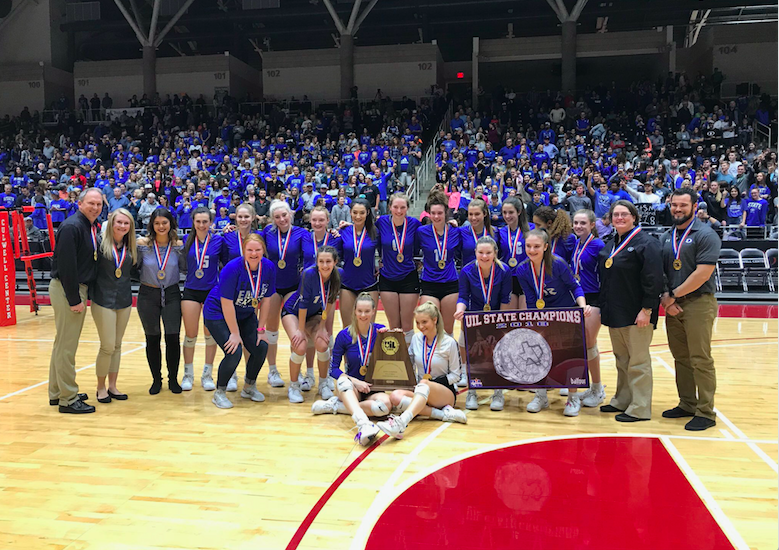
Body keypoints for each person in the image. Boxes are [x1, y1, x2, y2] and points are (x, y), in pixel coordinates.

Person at [659, 189, 721, 431]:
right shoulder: (666, 236)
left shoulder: (706, 234)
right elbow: (661, 272)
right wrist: (666, 299)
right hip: (672, 304)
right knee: (681, 358)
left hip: (698, 302)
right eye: (674, 205)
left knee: (700, 358)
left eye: (683, 205)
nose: (678, 209)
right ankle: (687, 403)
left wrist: (673, 296)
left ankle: (706, 411)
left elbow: (702, 273)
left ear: (695, 206)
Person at [598, 200, 663, 422]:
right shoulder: (611, 242)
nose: (620, 218)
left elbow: (653, 280)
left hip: (638, 314)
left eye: (624, 214)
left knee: (638, 362)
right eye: (616, 215)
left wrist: (647, 309)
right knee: (622, 359)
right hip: (615, 312)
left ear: (634, 217)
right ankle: (623, 399)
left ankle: (640, 408)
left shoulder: (647, 243)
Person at [515, 229, 591, 416]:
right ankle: (541, 395)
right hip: (542, 316)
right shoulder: (522, 269)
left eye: (537, 246)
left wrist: (582, 306)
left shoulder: (558, 264)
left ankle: (573, 398)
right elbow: (531, 299)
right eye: (528, 246)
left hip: (565, 313)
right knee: (538, 354)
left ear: (546, 247)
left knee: (569, 354)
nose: (532, 250)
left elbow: (574, 286)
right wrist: (533, 322)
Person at [377, 302, 467, 439]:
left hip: (445, 392)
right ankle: (443, 414)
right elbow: (406, 364)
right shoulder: (416, 339)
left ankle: (401, 423)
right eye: (417, 323)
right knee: (395, 396)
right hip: (421, 390)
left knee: (424, 384)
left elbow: (456, 375)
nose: (420, 327)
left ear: (435, 320)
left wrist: (431, 382)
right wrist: (395, 338)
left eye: (424, 322)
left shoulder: (449, 343)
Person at [203, 233, 274, 409]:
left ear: (263, 250)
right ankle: (219, 392)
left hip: (245, 313)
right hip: (217, 312)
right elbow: (226, 303)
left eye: (258, 249)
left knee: (261, 346)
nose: (254, 253)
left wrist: (261, 329)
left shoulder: (269, 268)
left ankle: (249, 386)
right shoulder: (232, 268)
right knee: (234, 351)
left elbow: (266, 300)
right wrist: (235, 334)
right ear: (243, 250)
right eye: (249, 249)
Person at [311, 293, 391, 446]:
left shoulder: (382, 332)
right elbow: (333, 369)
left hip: (374, 389)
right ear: (354, 311)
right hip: (352, 387)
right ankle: (363, 424)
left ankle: (337, 406)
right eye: (360, 311)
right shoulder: (344, 335)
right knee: (342, 381)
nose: (363, 315)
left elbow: (395, 357)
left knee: (384, 407)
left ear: (374, 311)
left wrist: (395, 337)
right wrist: (356, 382)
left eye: (367, 311)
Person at [48, 188, 102, 414]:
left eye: (99, 204)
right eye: (91, 203)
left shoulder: (87, 225)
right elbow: (67, 266)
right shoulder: (72, 226)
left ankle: (57, 391)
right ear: (80, 203)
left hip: (74, 288)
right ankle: (68, 399)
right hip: (68, 288)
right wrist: (73, 299)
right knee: (67, 347)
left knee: (62, 343)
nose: (95, 208)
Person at [454, 236, 513, 411]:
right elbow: (463, 296)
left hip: (495, 317)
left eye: (488, 252)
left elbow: (505, 298)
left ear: (495, 253)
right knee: (468, 348)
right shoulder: (466, 271)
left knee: (497, 353)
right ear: (475, 253)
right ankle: (472, 390)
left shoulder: (504, 271)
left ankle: (498, 391)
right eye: (481, 252)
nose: (484, 256)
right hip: (473, 317)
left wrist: (500, 323)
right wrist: (460, 309)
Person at [262, 201, 315, 389]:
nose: (281, 219)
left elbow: (312, 251)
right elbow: (248, 239)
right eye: (277, 217)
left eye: (284, 215)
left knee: (296, 332)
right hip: (273, 286)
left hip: (294, 286)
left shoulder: (301, 233)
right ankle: (273, 370)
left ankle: (297, 371)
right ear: (272, 218)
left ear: (290, 214)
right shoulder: (267, 233)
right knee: (272, 330)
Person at [281, 246, 341, 403]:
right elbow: (303, 304)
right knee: (300, 346)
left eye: (328, 261)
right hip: (293, 312)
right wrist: (301, 329)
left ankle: (323, 384)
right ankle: (293, 386)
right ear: (317, 262)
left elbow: (329, 301)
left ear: (335, 262)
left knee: (322, 343)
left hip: (314, 315)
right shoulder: (309, 274)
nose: (325, 265)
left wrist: (322, 327)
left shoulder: (338, 275)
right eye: (321, 261)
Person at [136, 208, 185, 395]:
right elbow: (135, 266)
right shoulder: (143, 245)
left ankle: (173, 379)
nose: (161, 226)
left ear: (170, 223)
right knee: (152, 338)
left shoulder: (178, 246)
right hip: (148, 294)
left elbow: (185, 268)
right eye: (157, 223)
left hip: (172, 293)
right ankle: (156, 379)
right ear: (152, 225)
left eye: (164, 222)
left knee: (173, 337)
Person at [90, 208, 137, 403]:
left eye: (126, 223)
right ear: (112, 223)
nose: (123, 226)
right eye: (119, 222)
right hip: (103, 299)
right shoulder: (99, 243)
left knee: (117, 345)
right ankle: (100, 387)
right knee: (107, 346)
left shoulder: (131, 246)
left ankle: (112, 386)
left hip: (124, 300)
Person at [181, 207, 225, 392]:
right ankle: (188, 374)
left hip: (211, 292)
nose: (201, 225)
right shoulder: (185, 240)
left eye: (205, 221)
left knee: (210, 335)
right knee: (190, 335)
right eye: (198, 221)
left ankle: (207, 374)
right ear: (193, 222)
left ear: (210, 223)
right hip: (191, 290)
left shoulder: (218, 240)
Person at [569, 210, 607, 408]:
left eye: (583, 223)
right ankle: (593, 387)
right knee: (582, 344)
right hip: (578, 297)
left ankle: (598, 388)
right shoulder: (577, 243)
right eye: (576, 222)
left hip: (593, 299)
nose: (578, 226)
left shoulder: (598, 245)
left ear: (592, 225)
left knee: (589, 344)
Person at [377, 193, 421, 349]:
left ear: (407, 208)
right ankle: (396, 364)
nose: (399, 210)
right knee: (394, 325)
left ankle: (410, 363)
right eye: (395, 207)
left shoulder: (415, 224)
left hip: (408, 277)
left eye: (403, 207)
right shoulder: (381, 222)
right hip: (387, 278)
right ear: (390, 207)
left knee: (407, 325)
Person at [416, 191, 461, 337]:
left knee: (448, 330)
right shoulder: (421, 232)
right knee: (429, 329)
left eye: (440, 213)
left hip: (450, 284)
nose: (436, 216)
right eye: (433, 213)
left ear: (446, 212)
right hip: (429, 283)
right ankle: (429, 359)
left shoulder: (455, 231)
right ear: (428, 213)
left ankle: (449, 359)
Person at [337, 198, 379, 328]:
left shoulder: (376, 233)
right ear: (350, 212)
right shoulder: (343, 231)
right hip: (347, 285)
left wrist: (381, 263)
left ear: (367, 213)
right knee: (348, 328)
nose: (358, 216)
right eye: (355, 212)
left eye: (362, 213)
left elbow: (385, 251)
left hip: (369, 285)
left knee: (368, 328)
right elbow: (337, 256)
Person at [496, 196, 533, 309]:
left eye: (511, 212)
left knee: (525, 319)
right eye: (504, 212)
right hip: (508, 279)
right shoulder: (499, 232)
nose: (507, 216)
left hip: (527, 277)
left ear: (519, 211)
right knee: (509, 320)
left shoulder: (532, 229)